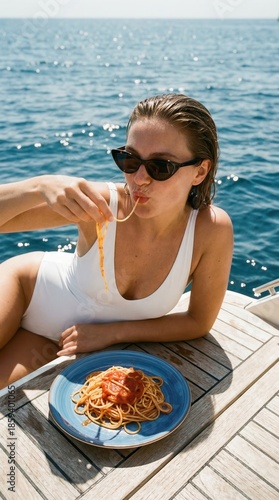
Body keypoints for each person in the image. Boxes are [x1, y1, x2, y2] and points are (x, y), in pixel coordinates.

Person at [0, 93, 233, 388]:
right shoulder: (100, 205)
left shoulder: (211, 229)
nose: (138, 179)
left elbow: (198, 321)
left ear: (199, 171)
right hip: (25, 291)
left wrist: (113, 333)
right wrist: (38, 186)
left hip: (60, 342)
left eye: (161, 166)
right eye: (130, 159)